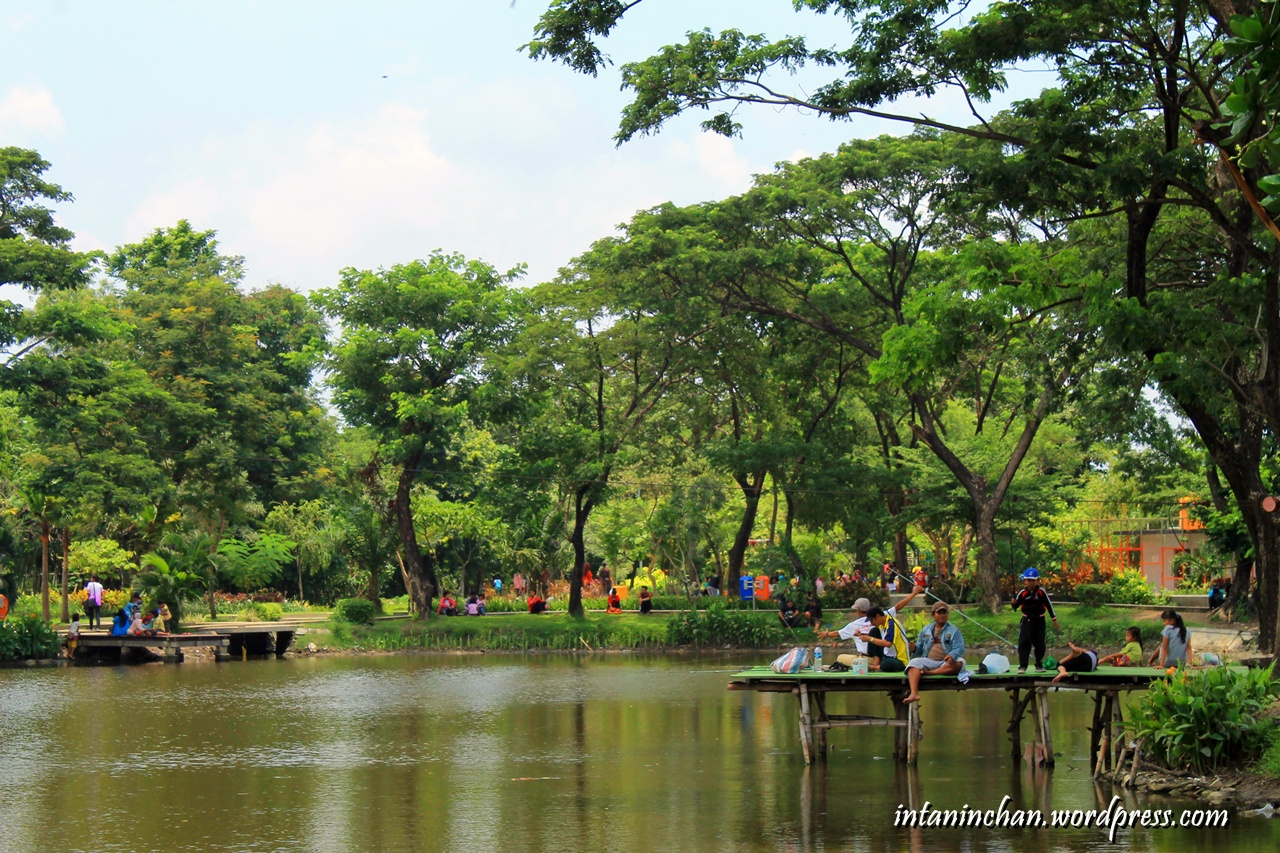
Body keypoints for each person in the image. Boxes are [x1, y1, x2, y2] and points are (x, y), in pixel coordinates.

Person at [902, 602, 966, 703]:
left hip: (946, 662)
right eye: (939, 613)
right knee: (913, 663)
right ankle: (914, 693)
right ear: (933, 615)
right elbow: (919, 650)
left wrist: (952, 655)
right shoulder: (926, 630)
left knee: (960, 662)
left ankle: (928, 673)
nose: (942, 615)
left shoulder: (954, 630)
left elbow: (959, 648)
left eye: (944, 613)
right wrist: (914, 649)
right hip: (929, 661)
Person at [858, 584, 923, 672]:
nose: (871, 623)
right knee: (873, 631)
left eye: (871, 620)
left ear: (877, 616)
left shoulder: (892, 623)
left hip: (899, 660)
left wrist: (869, 639)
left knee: (886, 663)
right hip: (887, 655)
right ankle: (876, 663)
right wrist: (863, 635)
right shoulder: (881, 622)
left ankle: (876, 667)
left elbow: (888, 643)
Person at [1012, 568, 1058, 673]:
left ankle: (1038, 664)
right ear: (1025, 581)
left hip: (1039, 621)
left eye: (1032, 580)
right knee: (1024, 643)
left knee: (1040, 643)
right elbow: (1016, 607)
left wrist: (1053, 619)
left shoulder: (1041, 592)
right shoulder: (1023, 593)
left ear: (1037, 580)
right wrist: (1013, 603)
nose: (1030, 583)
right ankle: (1023, 666)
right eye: (1028, 580)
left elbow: (1049, 605)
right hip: (1026, 621)